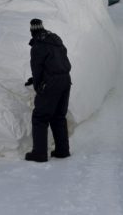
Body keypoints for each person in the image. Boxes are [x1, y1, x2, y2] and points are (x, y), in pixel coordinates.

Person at [23, 18, 71, 162]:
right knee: (59, 116)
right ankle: (62, 151)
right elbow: (58, 61)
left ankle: (39, 153)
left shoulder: (38, 46)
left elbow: (37, 69)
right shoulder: (56, 39)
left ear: (32, 31)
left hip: (51, 84)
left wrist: (39, 86)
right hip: (65, 80)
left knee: (40, 117)